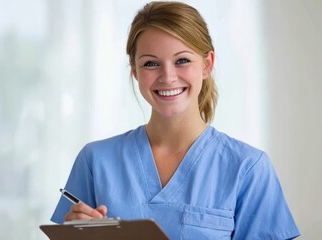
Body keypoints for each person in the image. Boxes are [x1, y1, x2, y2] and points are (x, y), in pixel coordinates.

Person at [51, 1, 300, 239]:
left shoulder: (248, 168)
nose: (167, 77)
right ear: (135, 71)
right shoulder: (95, 161)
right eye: (151, 63)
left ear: (206, 64)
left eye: (182, 60)